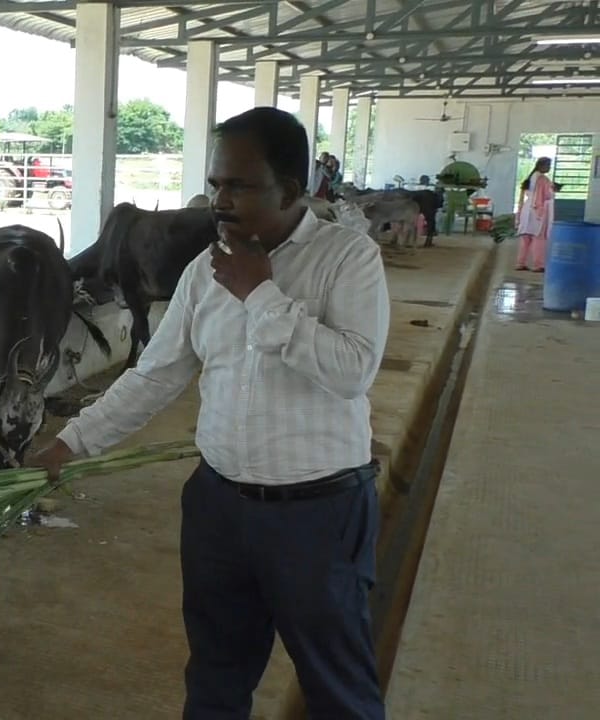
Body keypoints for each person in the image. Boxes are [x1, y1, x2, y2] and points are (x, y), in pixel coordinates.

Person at [30, 106, 391, 720]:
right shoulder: (204, 270)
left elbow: (352, 371)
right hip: (219, 510)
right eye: (216, 183)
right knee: (216, 677)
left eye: (240, 185)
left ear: (292, 190)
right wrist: (69, 444)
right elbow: (158, 373)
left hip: (317, 514)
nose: (221, 199)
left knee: (338, 687)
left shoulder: (346, 259)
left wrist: (260, 293)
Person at [515, 156, 555, 273]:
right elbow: (544, 196)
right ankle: (539, 264)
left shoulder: (531, 177)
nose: (549, 168)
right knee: (539, 237)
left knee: (525, 238)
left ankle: (520, 263)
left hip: (527, 209)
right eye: (548, 165)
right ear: (542, 166)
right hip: (537, 210)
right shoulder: (542, 179)